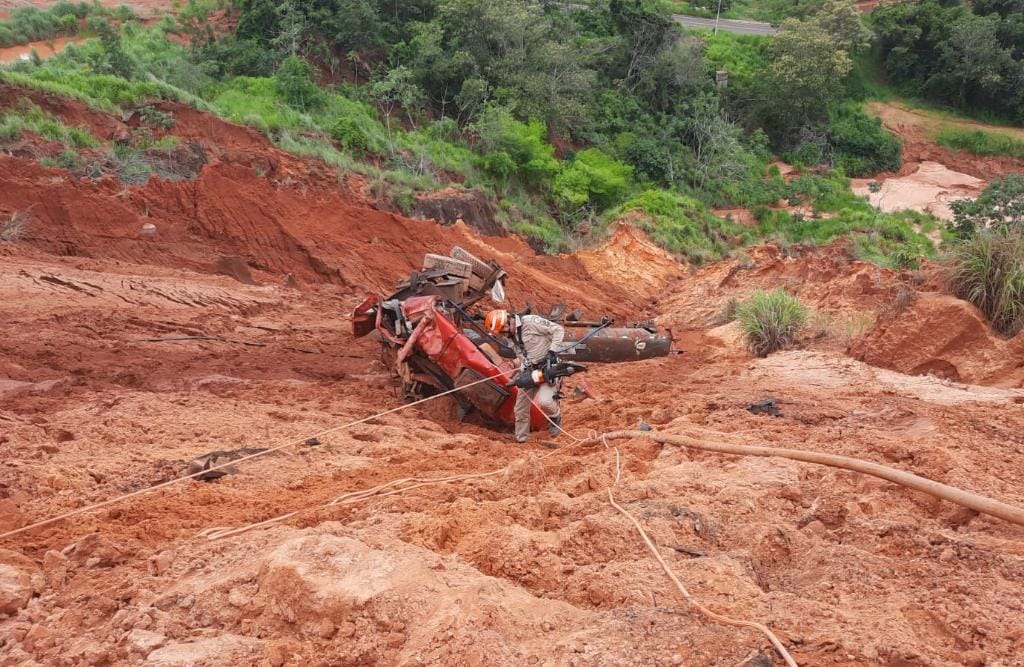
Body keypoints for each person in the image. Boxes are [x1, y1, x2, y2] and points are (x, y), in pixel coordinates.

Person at [485, 309, 565, 443]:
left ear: (506, 324)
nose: (503, 335)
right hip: (530, 371)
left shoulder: (530, 322)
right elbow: (522, 356)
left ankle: (555, 416)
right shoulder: (511, 337)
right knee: (520, 407)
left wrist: (552, 351)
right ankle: (521, 439)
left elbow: (558, 330)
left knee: (545, 402)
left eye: (502, 332)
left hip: (548, 368)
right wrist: (519, 370)